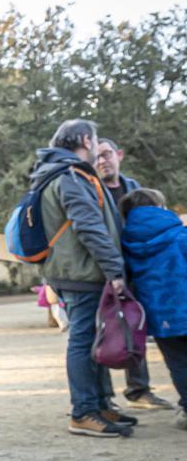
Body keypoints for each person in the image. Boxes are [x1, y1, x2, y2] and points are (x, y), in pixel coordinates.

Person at [29, 120, 136, 438]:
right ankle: (83, 411)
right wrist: (115, 269)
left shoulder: (59, 172)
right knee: (83, 340)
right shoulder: (70, 175)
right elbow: (89, 227)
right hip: (80, 272)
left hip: (77, 269)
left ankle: (101, 404)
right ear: (86, 141)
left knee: (95, 340)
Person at [95, 137, 173, 410]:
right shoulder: (92, 191)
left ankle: (139, 390)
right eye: (96, 157)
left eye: (106, 154)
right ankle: (104, 398)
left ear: (119, 155)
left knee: (137, 328)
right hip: (106, 271)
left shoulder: (134, 189)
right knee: (102, 332)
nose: (102, 161)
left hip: (137, 269)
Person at [118, 189, 187, 431]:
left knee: (178, 362)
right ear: (160, 208)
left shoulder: (127, 245)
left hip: (161, 317)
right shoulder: (180, 235)